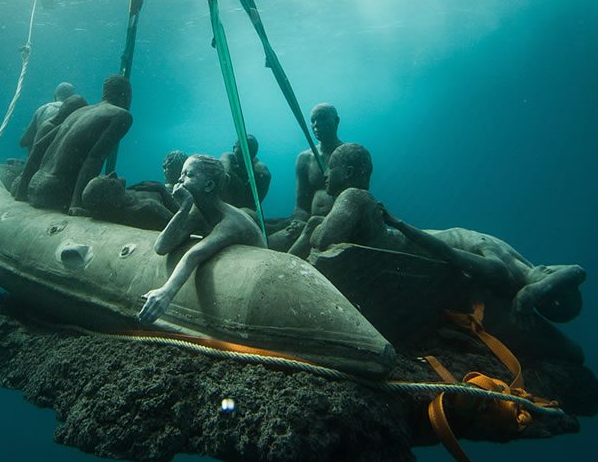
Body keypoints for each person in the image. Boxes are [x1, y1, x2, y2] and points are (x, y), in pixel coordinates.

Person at [294, 183, 585, 323]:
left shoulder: (500, 271)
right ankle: (287, 258)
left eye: (551, 280)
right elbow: (576, 270)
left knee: (354, 197)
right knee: (314, 224)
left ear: (544, 294)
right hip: (399, 237)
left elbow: (448, 252)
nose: (550, 270)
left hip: (398, 243)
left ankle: (295, 270)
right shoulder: (523, 262)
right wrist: (540, 289)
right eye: (554, 274)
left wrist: (398, 223)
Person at [138, 154, 264, 324]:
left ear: (209, 185)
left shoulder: (230, 223)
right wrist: (184, 209)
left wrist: (166, 293)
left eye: (188, 175)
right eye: (181, 174)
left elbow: (194, 255)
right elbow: (161, 246)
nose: (179, 180)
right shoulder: (197, 211)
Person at [13, 74, 133, 212]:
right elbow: (95, 157)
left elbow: (39, 146)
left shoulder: (80, 111)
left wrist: (21, 192)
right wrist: (77, 204)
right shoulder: (121, 116)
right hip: (55, 192)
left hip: (34, 185)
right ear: (127, 95)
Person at [293, 102, 343, 219]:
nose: (316, 124)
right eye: (313, 120)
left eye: (323, 118)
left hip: (343, 222)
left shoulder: (350, 154)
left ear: (336, 121)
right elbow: (301, 205)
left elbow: (359, 197)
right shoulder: (305, 158)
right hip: (311, 223)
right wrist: (298, 223)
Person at [19, 81, 76, 154]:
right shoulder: (75, 111)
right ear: (72, 97)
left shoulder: (42, 109)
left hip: (39, 155)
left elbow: (24, 141)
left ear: (55, 95)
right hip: (60, 155)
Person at [220, 135, 271, 210]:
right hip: (225, 204)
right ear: (234, 148)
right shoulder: (228, 157)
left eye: (249, 148)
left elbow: (253, 205)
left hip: (245, 208)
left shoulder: (261, 170)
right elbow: (226, 171)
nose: (245, 151)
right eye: (243, 146)